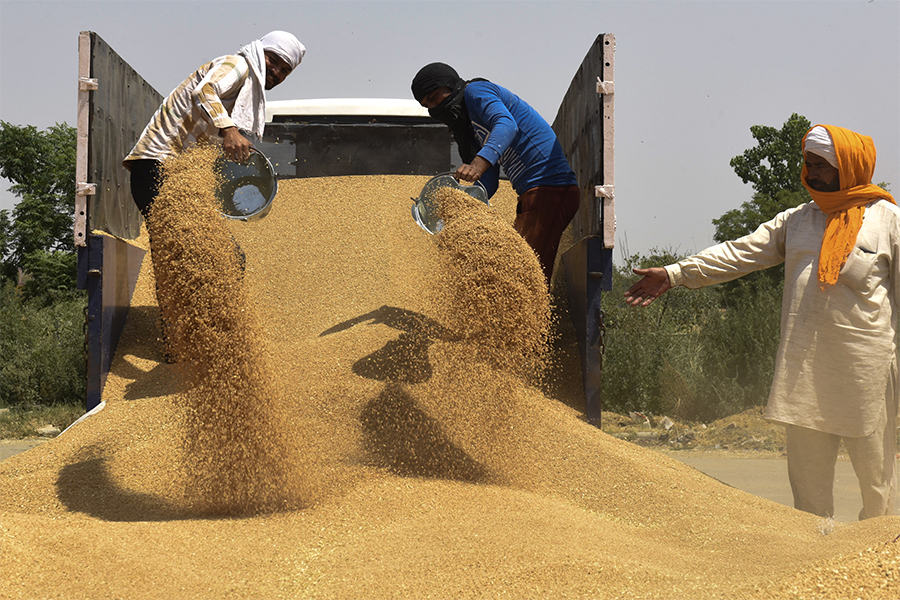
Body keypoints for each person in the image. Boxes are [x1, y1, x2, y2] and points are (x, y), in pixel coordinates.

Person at [624, 124, 899, 520]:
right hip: (804, 375)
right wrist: (675, 273)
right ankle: (812, 568)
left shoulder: (888, 220)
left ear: (849, 166)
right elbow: (739, 253)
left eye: (820, 165)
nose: (810, 172)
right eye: (807, 163)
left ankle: (876, 571)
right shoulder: (798, 220)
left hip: (866, 376)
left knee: (878, 489)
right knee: (808, 500)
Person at [411, 62, 580, 285]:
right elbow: (487, 184)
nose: (435, 107)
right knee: (513, 271)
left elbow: (507, 124)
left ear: (450, 85)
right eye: (428, 105)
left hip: (550, 188)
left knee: (521, 279)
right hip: (532, 197)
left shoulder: (476, 91)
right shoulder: (469, 127)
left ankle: (528, 320)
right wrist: (460, 207)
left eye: (435, 97)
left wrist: (478, 163)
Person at [124, 30, 306, 219]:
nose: (277, 72)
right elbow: (204, 91)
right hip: (158, 165)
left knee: (190, 243)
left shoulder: (243, 90)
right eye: (273, 60)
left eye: (285, 70)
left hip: (178, 176)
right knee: (183, 241)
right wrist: (230, 129)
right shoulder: (238, 65)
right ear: (260, 54)